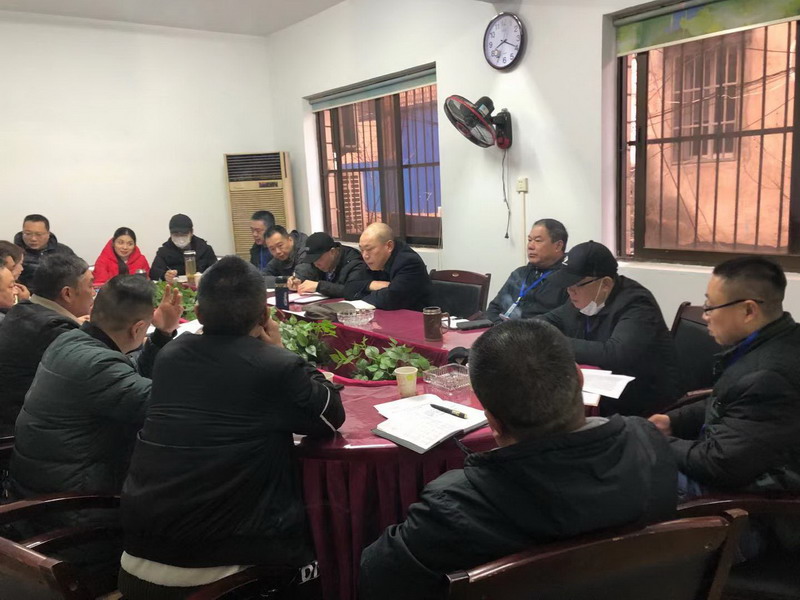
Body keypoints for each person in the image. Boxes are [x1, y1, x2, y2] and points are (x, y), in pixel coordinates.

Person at [359, 320, 678, 600]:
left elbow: (376, 576)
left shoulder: (455, 505)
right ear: (580, 380)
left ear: (493, 423)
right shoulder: (648, 444)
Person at [119, 256, 345, 599]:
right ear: (264, 315)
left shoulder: (170, 356)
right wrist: (284, 353)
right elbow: (331, 416)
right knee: (326, 562)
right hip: (224, 575)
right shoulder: (274, 365)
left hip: (137, 559)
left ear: (199, 314)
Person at [10, 276, 183, 500]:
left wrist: (162, 334)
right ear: (138, 328)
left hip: (45, 481)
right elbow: (167, 406)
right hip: (74, 501)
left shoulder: (71, 339)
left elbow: (129, 378)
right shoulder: (97, 365)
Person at [649, 257, 800, 500]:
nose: (705, 315)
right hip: (736, 462)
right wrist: (673, 421)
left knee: (624, 473)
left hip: (747, 500)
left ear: (748, 310)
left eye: (710, 306)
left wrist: (652, 440)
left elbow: (719, 464)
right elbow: (731, 401)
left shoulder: (770, 376)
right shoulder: (778, 339)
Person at [538, 240, 682, 416]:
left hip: (643, 406)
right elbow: (548, 320)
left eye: (576, 285)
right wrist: (521, 330)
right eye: (567, 285)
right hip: (606, 395)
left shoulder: (637, 304)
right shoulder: (584, 299)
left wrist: (552, 343)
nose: (570, 291)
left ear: (605, 283)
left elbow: (614, 354)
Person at [0, 254, 95, 433]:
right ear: (67, 293)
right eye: (90, 286)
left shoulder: (22, 309)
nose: (93, 293)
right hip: (26, 430)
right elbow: (97, 377)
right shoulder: (54, 329)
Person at [486, 219, 569, 322]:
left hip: (538, 331)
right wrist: (501, 327)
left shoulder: (568, 279)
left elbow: (561, 321)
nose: (530, 246)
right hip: (505, 330)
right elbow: (493, 308)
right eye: (529, 240)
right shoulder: (520, 273)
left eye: (538, 241)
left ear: (558, 246)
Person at [345, 223, 432, 311]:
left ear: (389, 246)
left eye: (369, 249)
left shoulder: (409, 262)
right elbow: (349, 288)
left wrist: (363, 295)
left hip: (415, 316)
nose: (365, 255)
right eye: (362, 250)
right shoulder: (373, 260)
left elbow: (391, 298)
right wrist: (372, 285)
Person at [289, 232, 369, 298]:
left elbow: (353, 290)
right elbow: (307, 270)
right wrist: (299, 280)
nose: (316, 264)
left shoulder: (354, 262)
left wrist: (319, 286)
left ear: (332, 252)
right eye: (312, 260)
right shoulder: (317, 262)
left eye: (319, 259)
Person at [13, 214, 75, 290]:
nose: (33, 239)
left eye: (39, 234)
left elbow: (78, 273)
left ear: (48, 234)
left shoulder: (63, 251)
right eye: (28, 234)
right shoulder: (13, 253)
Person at [150, 214, 217, 282]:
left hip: (201, 285)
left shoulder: (205, 249)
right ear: (170, 234)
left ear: (191, 232)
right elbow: (153, 273)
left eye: (184, 235)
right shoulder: (164, 251)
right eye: (176, 235)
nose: (180, 239)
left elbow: (217, 272)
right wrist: (164, 275)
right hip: (175, 287)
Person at [249, 210, 276, 274]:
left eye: (258, 231)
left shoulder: (280, 250)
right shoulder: (255, 249)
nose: (254, 234)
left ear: (270, 229)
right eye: (252, 230)